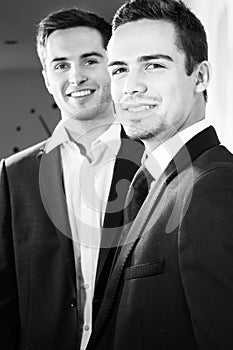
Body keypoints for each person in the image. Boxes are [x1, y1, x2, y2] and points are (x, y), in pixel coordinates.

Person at [84, 0, 233, 349]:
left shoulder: (212, 186)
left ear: (200, 77)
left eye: (152, 65)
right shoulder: (156, 181)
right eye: (119, 70)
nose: (130, 87)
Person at [0, 7, 144, 350]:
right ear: (47, 77)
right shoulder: (13, 174)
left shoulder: (153, 159)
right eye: (61, 65)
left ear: (113, 68)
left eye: (90, 61)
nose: (75, 77)